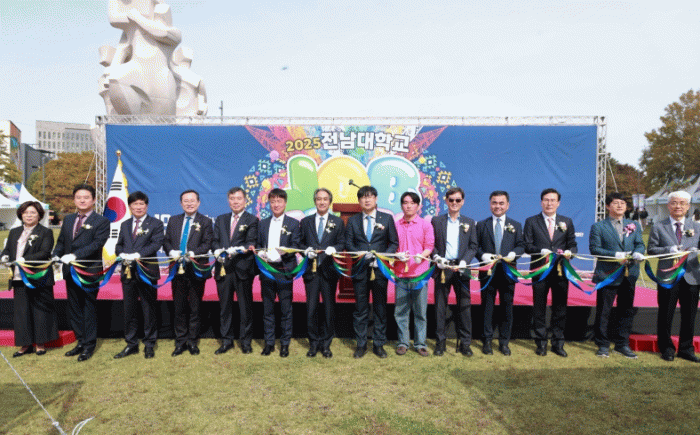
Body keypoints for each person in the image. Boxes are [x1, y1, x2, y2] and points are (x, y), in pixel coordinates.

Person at [52, 184, 110, 362]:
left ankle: (89, 345)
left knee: (88, 308)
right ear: (74, 199)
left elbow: (97, 244)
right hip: (69, 271)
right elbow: (62, 242)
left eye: (86, 197)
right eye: (78, 197)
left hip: (89, 271)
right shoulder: (69, 219)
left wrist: (75, 255)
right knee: (74, 308)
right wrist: (56, 255)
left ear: (94, 200)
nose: (82, 200)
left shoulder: (102, 221)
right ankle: (80, 341)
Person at [589, 192, 645, 358]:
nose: (620, 205)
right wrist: (615, 255)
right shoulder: (599, 226)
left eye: (622, 203)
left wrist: (638, 252)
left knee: (626, 310)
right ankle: (602, 344)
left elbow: (640, 244)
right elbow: (595, 249)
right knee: (604, 311)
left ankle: (622, 344)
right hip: (608, 274)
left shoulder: (634, 225)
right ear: (607, 206)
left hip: (629, 274)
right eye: (615, 203)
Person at [345, 185, 399, 359]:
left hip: (380, 270)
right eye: (363, 197)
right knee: (360, 309)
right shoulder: (353, 220)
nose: (367, 200)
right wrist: (360, 255)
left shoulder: (387, 218)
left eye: (370, 197)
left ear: (376, 199)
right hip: (360, 270)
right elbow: (348, 244)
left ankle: (378, 344)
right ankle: (361, 345)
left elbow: (394, 243)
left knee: (380, 308)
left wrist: (382, 257)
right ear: (359, 201)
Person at [523, 188, 577, 357]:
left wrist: (570, 252)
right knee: (539, 307)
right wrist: (540, 251)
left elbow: (572, 244)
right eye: (546, 200)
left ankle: (558, 343)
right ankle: (541, 342)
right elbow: (527, 245)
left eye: (553, 200)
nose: (549, 203)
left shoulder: (566, 221)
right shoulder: (531, 221)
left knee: (560, 307)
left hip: (560, 271)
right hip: (540, 270)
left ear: (558, 203)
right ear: (541, 202)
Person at [647, 191, 700, 363]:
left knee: (690, 314)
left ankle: (686, 348)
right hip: (668, 276)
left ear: (688, 206)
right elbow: (651, 250)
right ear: (668, 205)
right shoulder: (658, 226)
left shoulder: (696, 226)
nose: (678, 206)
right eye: (674, 203)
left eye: (682, 203)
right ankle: (666, 348)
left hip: (691, 276)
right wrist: (669, 250)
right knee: (665, 313)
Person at [1, 201, 57, 357]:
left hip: (38, 277)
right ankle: (25, 344)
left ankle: (40, 344)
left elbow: (45, 252)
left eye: (33, 212)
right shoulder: (14, 232)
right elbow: (8, 249)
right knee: (21, 312)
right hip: (18, 278)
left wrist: (25, 260)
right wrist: (5, 256)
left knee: (39, 311)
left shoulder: (45, 232)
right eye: (26, 212)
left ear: (39, 215)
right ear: (21, 214)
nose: (29, 215)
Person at [113, 191, 164, 359]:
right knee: (129, 310)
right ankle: (131, 344)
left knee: (149, 309)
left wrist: (138, 254)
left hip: (147, 271)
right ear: (130, 206)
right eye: (135, 204)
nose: (138, 207)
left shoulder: (155, 223)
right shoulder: (125, 224)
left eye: (141, 204)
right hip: (128, 273)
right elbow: (119, 245)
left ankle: (149, 344)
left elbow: (156, 244)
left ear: (146, 206)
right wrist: (122, 253)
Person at [163, 189, 213, 357]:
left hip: (196, 269)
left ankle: (192, 341)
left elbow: (208, 242)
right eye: (186, 201)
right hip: (177, 269)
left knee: (195, 307)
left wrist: (193, 253)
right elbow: (166, 241)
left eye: (192, 200)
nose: (189, 203)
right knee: (179, 307)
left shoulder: (205, 221)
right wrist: (171, 251)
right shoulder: (173, 220)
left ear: (198, 203)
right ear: (181, 203)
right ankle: (180, 342)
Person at [475, 190, 525, 356]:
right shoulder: (481, 225)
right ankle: (487, 341)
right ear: (490, 204)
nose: (498, 206)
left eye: (501, 203)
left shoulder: (516, 225)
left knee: (507, 308)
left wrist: (514, 254)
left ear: (507, 205)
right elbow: (475, 247)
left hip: (508, 272)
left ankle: (504, 342)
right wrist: (482, 255)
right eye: (494, 203)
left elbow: (521, 245)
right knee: (487, 308)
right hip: (488, 273)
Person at [431, 187, 478, 357]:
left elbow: (473, 246)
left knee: (464, 307)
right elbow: (431, 243)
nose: (454, 203)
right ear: (446, 201)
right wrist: (437, 257)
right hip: (443, 268)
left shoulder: (469, 222)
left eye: (458, 200)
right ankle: (440, 343)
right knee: (440, 307)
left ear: (462, 202)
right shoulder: (436, 221)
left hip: (461, 268)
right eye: (451, 200)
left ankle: (465, 344)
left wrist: (465, 261)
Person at [299, 188, 345, 358]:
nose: (322, 202)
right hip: (311, 272)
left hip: (329, 271)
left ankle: (326, 344)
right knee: (311, 309)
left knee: (328, 309)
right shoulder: (306, 221)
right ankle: (313, 343)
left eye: (325, 199)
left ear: (330, 202)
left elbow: (342, 242)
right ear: (315, 201)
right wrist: (305, 251)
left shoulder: (337, 222)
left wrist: (335, 249)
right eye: (319, 199)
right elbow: (299, 243)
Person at [212, 187, 258, 355]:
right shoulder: (221, 219)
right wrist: (217, 250)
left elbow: (251, 242)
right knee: (225, 307)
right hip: (223, 268)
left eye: (239, 198)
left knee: (245, 308)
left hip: (242, 268)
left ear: (245, 200)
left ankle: (245, 341)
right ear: (228, 201)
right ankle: (226, 341)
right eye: (232, 198)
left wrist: (238, 249)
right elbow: (215, 240)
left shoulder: (252, 220)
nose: (235, 201)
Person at [255, 188, 300, 357]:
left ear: (285, 203)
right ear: (269, 203)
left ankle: (285, 344)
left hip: (284, 270)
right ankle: (269, 343)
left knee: (286, 310)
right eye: (273, 201)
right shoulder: (263, 223)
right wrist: (260, 253)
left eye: (279, 201)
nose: (276, 204)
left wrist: (282, 252)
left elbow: (295, 244)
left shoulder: (293, 224)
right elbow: (258, 244)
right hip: (267, 271)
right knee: (268, 310)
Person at [393, 192, 435, 357]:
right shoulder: (396, 225)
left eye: (412, 203)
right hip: (401, 274)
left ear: (418, 206)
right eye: (405, 202)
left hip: (420, 275)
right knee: (400, 312)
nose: (408, 206)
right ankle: (403, 343)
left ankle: (420, 343)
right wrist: (397, 255)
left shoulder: (425, 225)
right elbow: (392, 245)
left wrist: (422, 256)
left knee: (420, 312)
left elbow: (429, 245)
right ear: (401, 205)